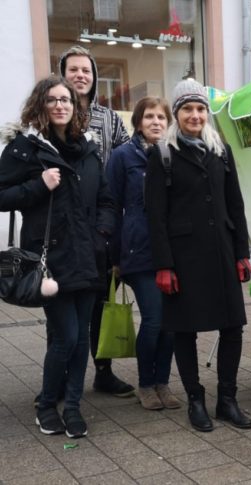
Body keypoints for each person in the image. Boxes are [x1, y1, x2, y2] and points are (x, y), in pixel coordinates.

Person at [0, 76, 116, 437]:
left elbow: (107, 201)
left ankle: (75, 406)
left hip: (88, 257)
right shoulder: (25, 148)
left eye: (66, 100)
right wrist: (39, 185)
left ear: (75, 106)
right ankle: (47, 404)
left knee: (81, 337)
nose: (61, 105)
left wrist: (102, 235)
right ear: (41, 105)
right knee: (66, 336)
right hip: (51, 261)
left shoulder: (88, 149)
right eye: (52, 100)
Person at [145, 78, 251, 432]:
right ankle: (195, 399)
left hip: (222, 250)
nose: (195, 115)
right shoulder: (162, 154)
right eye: (188, 109)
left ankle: (227, 400)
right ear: (177, 114)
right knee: (185, 330)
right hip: (184, 256)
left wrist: (242, 252)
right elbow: (155, 215)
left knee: (233, 325)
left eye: (201, 108)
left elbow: (235, 204)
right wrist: (163, 264)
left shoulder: (220, 149)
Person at [59, 45, 133, 398]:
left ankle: (102, 372)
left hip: (102, 222)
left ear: (93, 76)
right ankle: (57, 376)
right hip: (62, 225)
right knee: (61, 303)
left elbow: (127, 159)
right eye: (73, 70)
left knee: (101, 302)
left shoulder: (110, 118)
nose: (80, 76)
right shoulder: (51, 115)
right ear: (63, 75)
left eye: (86, 70)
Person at [107, 97, 181, 411]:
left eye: (161, 117)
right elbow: (110, 205)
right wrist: (113, 256)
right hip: (137, 250)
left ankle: (163, 382)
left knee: (171, 323)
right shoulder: (123, 156)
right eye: (149, 116)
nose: (155, 122)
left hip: (174, 252)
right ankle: (146, 384)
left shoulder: (174, 155)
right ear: (138, 122)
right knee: (154, 319)